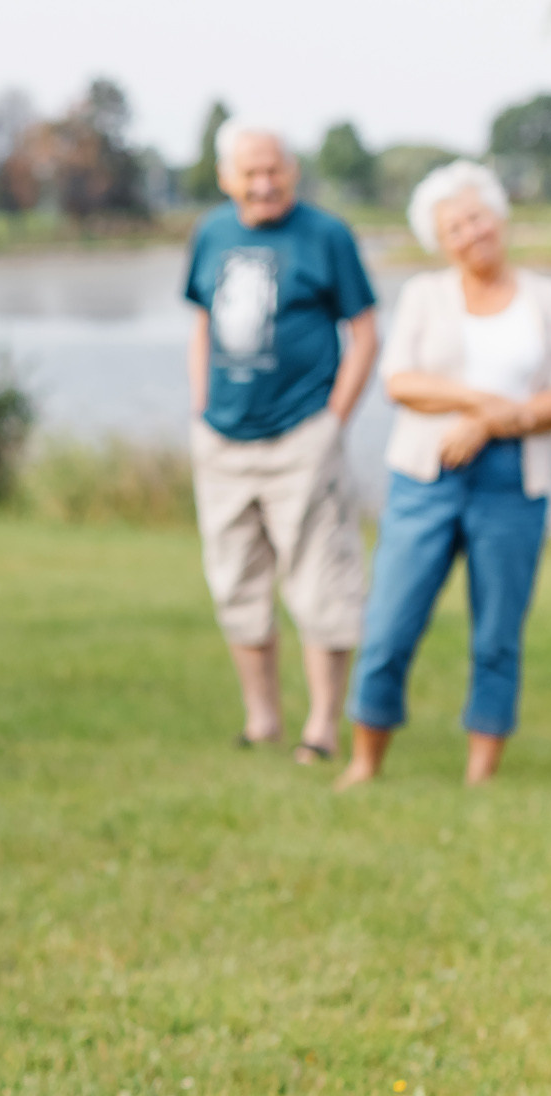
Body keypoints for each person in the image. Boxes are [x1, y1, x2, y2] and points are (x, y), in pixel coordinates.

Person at [338, 162, 551, 790]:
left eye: (477, 217)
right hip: (426, 475)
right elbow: (401, 382)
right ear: (439, 241)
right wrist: (482, 405)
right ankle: (365, 763)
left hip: (514, 481)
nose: (471, 233)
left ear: (498, 216)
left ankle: (481, 778)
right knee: (390, 624)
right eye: (455, 227)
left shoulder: (547, 298)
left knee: (498, 632)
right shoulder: (425, 295)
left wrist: (494, 425)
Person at [183, 121, 380, 763]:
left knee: (321, 582)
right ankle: (261, 719)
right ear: (226, 177)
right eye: (250, 172)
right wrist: (201, 408)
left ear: (293, 171)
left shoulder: (327, 235)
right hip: (223, 441)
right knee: (236, 582)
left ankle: (321, 728)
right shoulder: (211, 233)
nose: (264, 183)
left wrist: (333, 421)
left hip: (302, 436)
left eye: (274, 170)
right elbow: (202, 323)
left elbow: (365, 332)